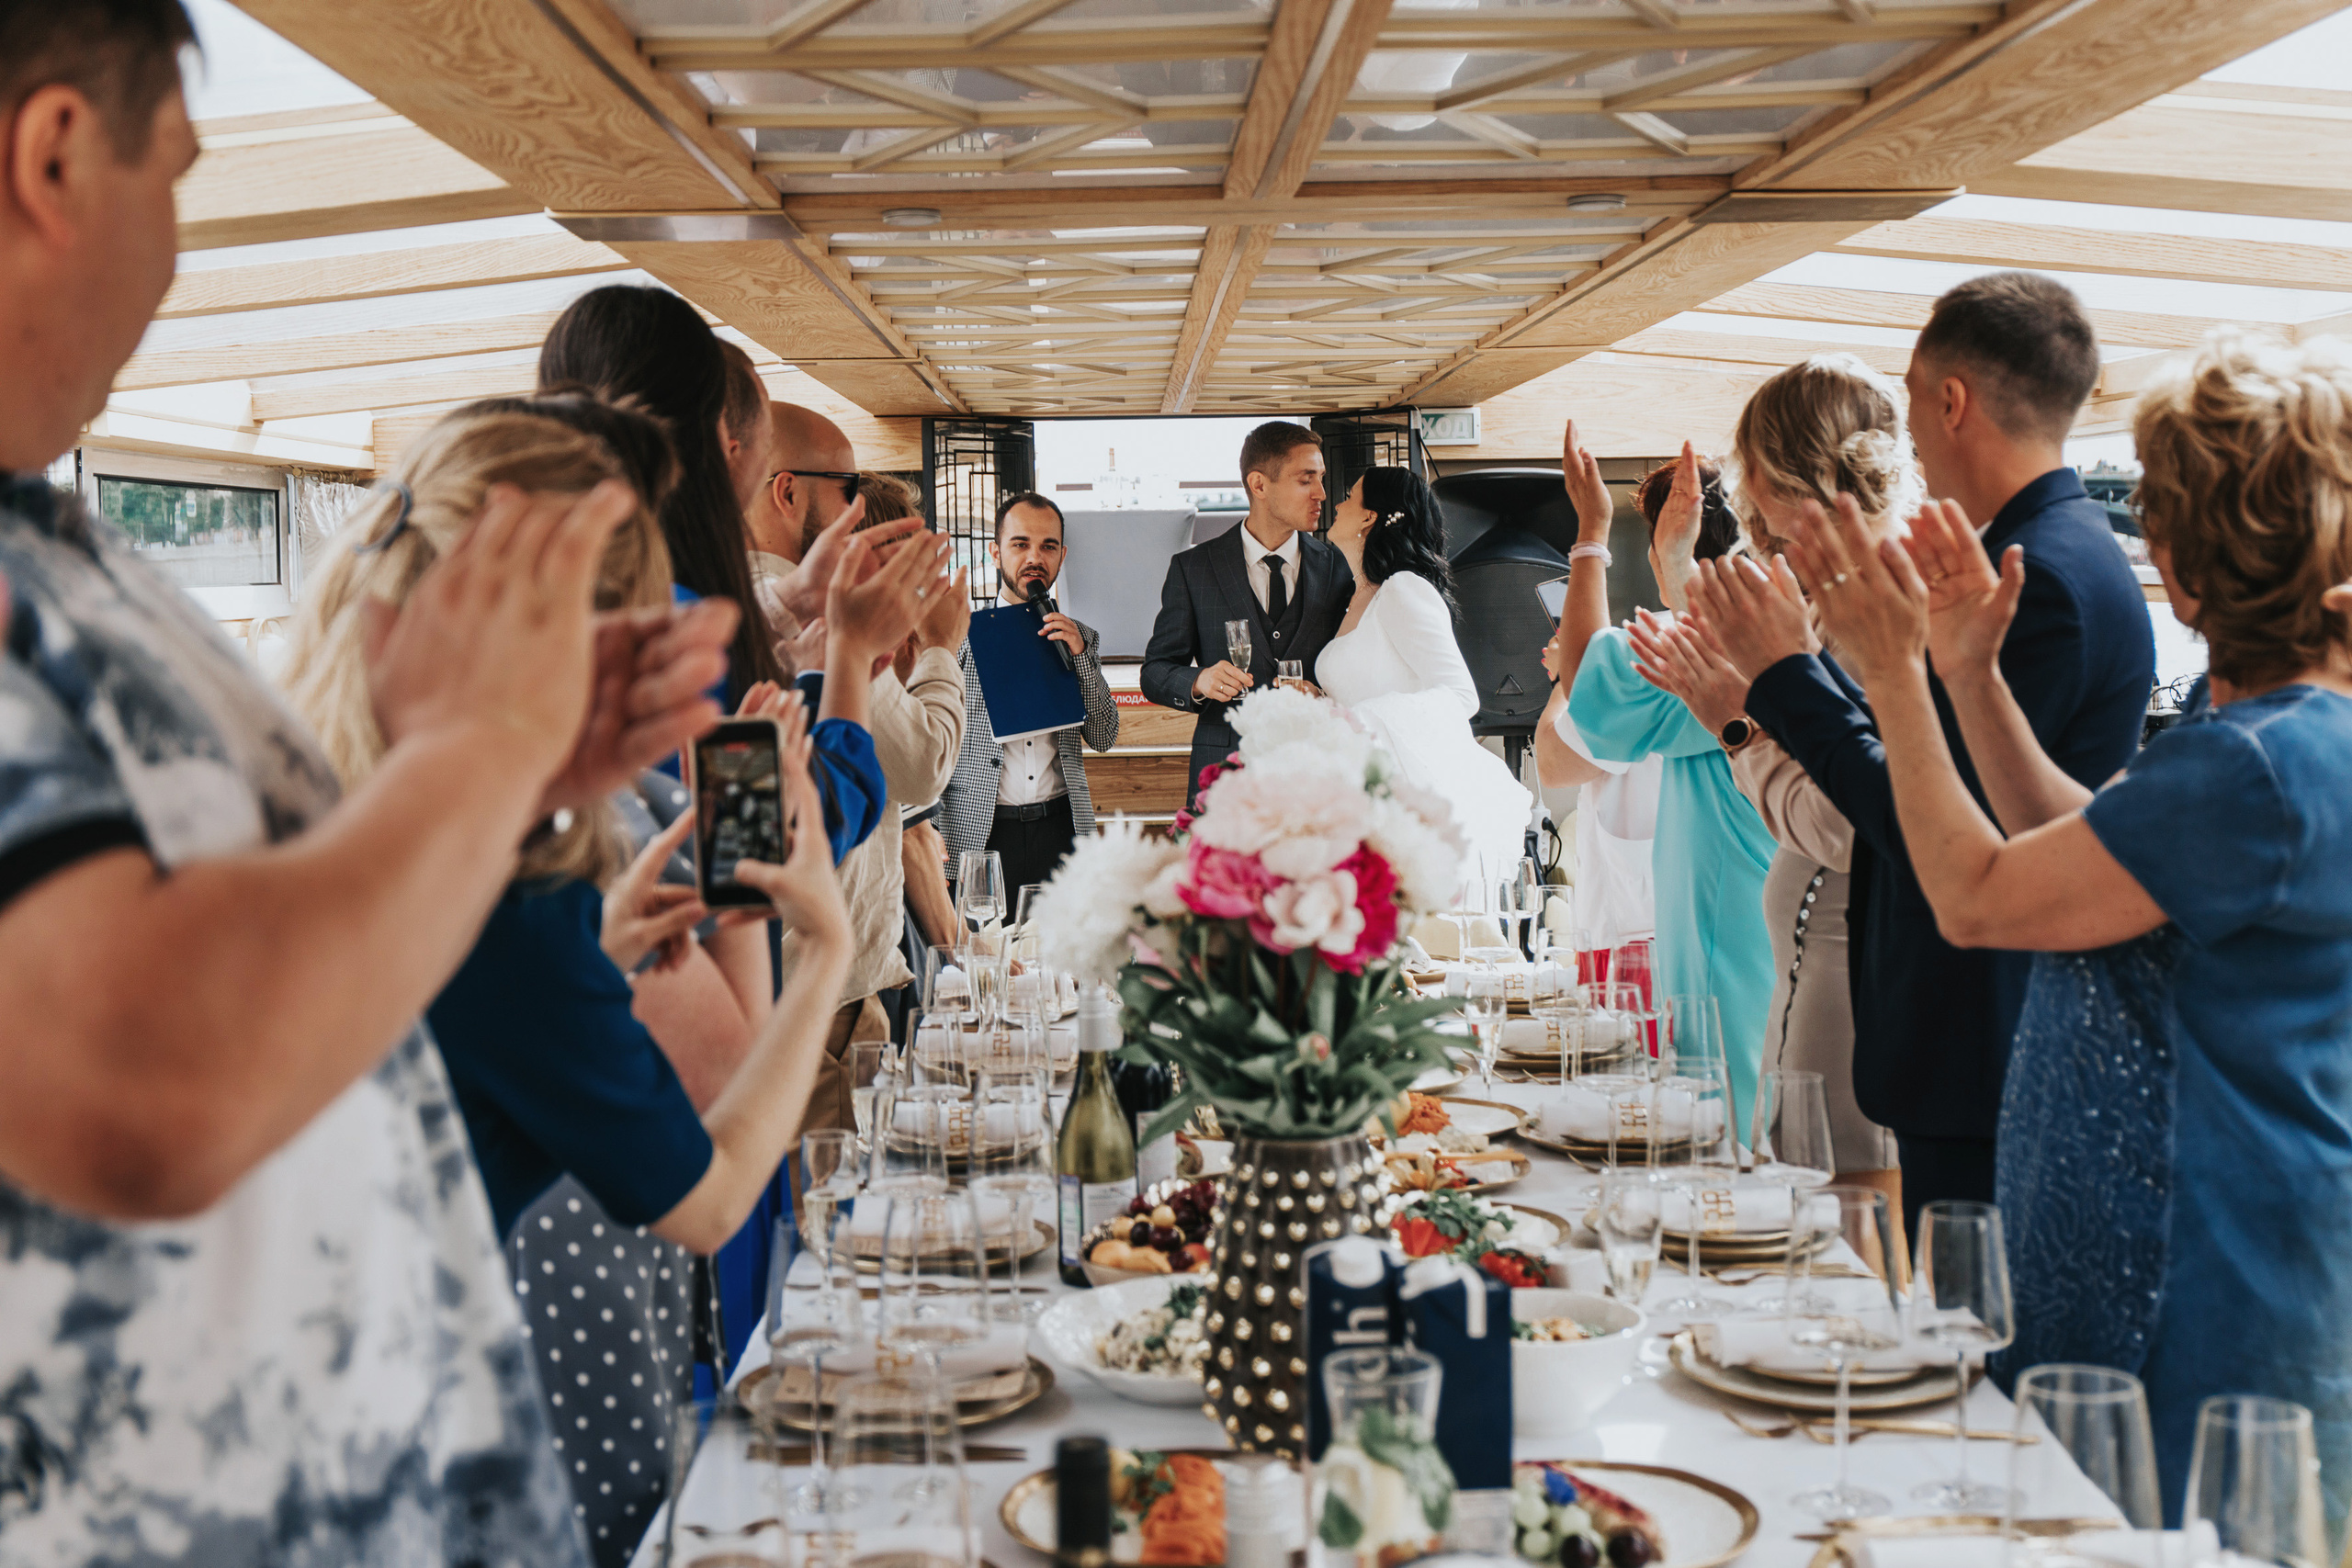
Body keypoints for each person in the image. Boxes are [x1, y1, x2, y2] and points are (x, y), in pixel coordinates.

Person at [0, 7, 732, 1555]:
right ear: (56, 157)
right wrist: (470, 760)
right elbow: (144, 1079)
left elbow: (297, 974)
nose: (176, 256)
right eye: (177, 179)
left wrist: (517, 780)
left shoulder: (61, 559)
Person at [1795, 329, 2352, 1522]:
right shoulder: (2265, 735)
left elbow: (1979, 895)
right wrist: (1969, 673)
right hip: (2172, 1246)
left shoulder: (2259, 766)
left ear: (2179, 561)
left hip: (2194, 1273)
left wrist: (1896, 675)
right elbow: (2086, 845)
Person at [1693, 273, 2155, 1224]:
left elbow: (1916, 813)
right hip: (1964, 1032)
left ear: (1950, 402)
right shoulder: (2041, 551)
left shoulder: (2040, 579)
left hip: (1984, 1032)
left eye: (1905, 396)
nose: (1896, 429)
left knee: (1966, 1342)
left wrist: (1778, 678)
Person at [1628, 355, 1913, 1215]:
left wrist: (1734, 723)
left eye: (1748, 467)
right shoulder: (1828, 595)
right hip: (1812, 968)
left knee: (1840, 1244)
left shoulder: (1871, 604)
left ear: (1783, 473)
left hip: (1847, 973)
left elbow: (1844, 823)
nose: (1741, 496)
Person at [1552, 426, 1776, 1120]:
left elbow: (1581, 663)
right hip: (1783, 924)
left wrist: (1592, 531)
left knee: (1729, 1144)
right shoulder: (1797, 625)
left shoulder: (1690, 648)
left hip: (1720, 958)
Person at [538, 284, 788, 698]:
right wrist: (844, 663)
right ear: (716, 435)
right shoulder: (686, 641)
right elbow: (760, 765)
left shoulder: (520, 612)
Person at [1317, 466, 1532, 875]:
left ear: (1369, 516)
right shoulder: (1357, 596)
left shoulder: (1403, 588)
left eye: (1349, 496)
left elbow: (1460, 695)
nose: (1337, 504)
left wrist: (1358, 721)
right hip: (1356, 789)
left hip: (1406, 795)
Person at [1143, 422, 1353, 803]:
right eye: (1307, 480)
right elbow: (1155, 671)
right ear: (1259, 485)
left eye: (1321, 478)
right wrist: (1199, 681)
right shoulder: (1194, 569)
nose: (1322, 493)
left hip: (1315, 773)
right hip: (1224, 775)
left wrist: (1323, 696)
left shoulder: (1337, 566)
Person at [942, 491, 1120, 897]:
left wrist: (1081, 661)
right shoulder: (959, 635)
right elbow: (929, 742)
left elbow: (1105, 736)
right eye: (1020, 544)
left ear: (1062, 555)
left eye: (1048, 546)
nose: (1034, 558)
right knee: (982, 952)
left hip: (1061, 827)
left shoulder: (1081, 637)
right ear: (996, 552)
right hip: (980, 833)